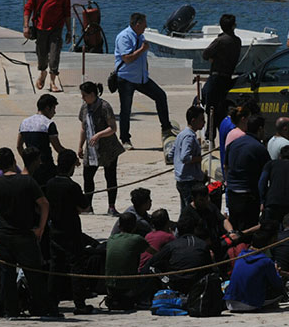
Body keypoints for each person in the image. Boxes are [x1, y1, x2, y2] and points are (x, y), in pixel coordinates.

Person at [0, 148, 55, 318]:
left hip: (3, 235)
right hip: (24, 234)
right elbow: (44, 203)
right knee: (33, 273)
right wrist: (41, 228)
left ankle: (11, 310)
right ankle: (40, 308)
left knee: (7, 274)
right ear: (14, 161)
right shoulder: (27, 181)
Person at [44, 149, 94, 314]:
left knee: (55, 267)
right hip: (71, 230)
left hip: (54, 229)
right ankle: (79, 304)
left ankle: (51, 303)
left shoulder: (50, 183)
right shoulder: (72, 186)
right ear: (71, 166)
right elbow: (85, 207)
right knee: (76, 266)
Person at [114, 12, 173, 148]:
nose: (146, 26)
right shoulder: (124, 37)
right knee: (126, 109)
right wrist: (142, 49)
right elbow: (127, 58)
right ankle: (125, 139)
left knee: (160, 95)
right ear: (138, 24)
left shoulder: (140, 36)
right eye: (144, 24)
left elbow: (142, 57)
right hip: (126, 78)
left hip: (141, 78)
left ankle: (166, 127)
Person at [78, 81, 124, 215]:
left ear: (92, 94)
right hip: (91, 148)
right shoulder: (84, 108)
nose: (83, 98)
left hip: (108, 147)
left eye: (85, 95)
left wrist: (99, 135)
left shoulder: (104, 107)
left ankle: (111, 206)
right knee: (88, 176)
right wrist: (80, 146)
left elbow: (113, 128)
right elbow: (83, 128)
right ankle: (88, 206)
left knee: (110, 177)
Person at [23, 0, 71, 92]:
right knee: (42, 55)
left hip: (56, 28)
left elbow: (67, 11)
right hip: (40, 28)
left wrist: (69, 31)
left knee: (55, 55)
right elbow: (28, 8)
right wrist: (26, 26)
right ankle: (43, 72)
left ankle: (52, 82)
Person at [143, 214, 214, 294]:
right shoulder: (202, 244)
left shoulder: (172, 245)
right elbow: (210, 268)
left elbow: (152, 262)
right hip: (197, 284)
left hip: (177, 285)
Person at [224, 228, 289, 312]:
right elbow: (277, 283)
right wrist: (276, 272)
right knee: (278, 292)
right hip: (249, 305)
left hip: (230, 303)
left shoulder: (241, 255)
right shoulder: (265, 261)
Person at [225, 114, 271, 231]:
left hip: (232, 193)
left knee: (234, 227)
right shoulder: (259, 148)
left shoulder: (233, 144)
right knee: (248, 230)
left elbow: (226, 166)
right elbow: (266, 174)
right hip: (248, 196)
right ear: (260, 129)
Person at [201, 14, 241, 141]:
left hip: (216, 77)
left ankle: (209, 136)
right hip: (227, 78)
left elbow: (205, 54)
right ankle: (220, 135)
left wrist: (214, 58)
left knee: (210, 107)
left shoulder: (220, 41)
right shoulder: (237, 41)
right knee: (220, 109)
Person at [105, 212, 153, 310]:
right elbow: (155, 253)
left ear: (119, 225)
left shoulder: (111, 238)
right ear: (135, 227)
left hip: (109, 287)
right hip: (128, 288)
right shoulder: (137, 239)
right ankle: (144, 299)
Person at [18, 93, 67, 184]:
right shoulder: (48, 124)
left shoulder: (24, 122)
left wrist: (28, 160)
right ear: (48, 108)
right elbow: (58, 148)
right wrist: (71, 157)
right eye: (54, 109)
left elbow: (19, 146)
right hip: (46, 167)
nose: (54, 112)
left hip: (30, 168)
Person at [258, 145, 289, 224]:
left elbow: (262, 183)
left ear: (280, 155)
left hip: (272, 202)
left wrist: (262, 201)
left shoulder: (271, 164)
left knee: (270, 229)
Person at [173, 106, 205, 216]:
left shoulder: (181, 134)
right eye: (201, 119)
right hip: (188, 180)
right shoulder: (189, 137)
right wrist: (198, 158)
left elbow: (171, 153)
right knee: (190, 212)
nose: (204, 122)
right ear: (193, 120)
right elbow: (185, 157)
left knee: (184, 210)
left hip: (181, 178)